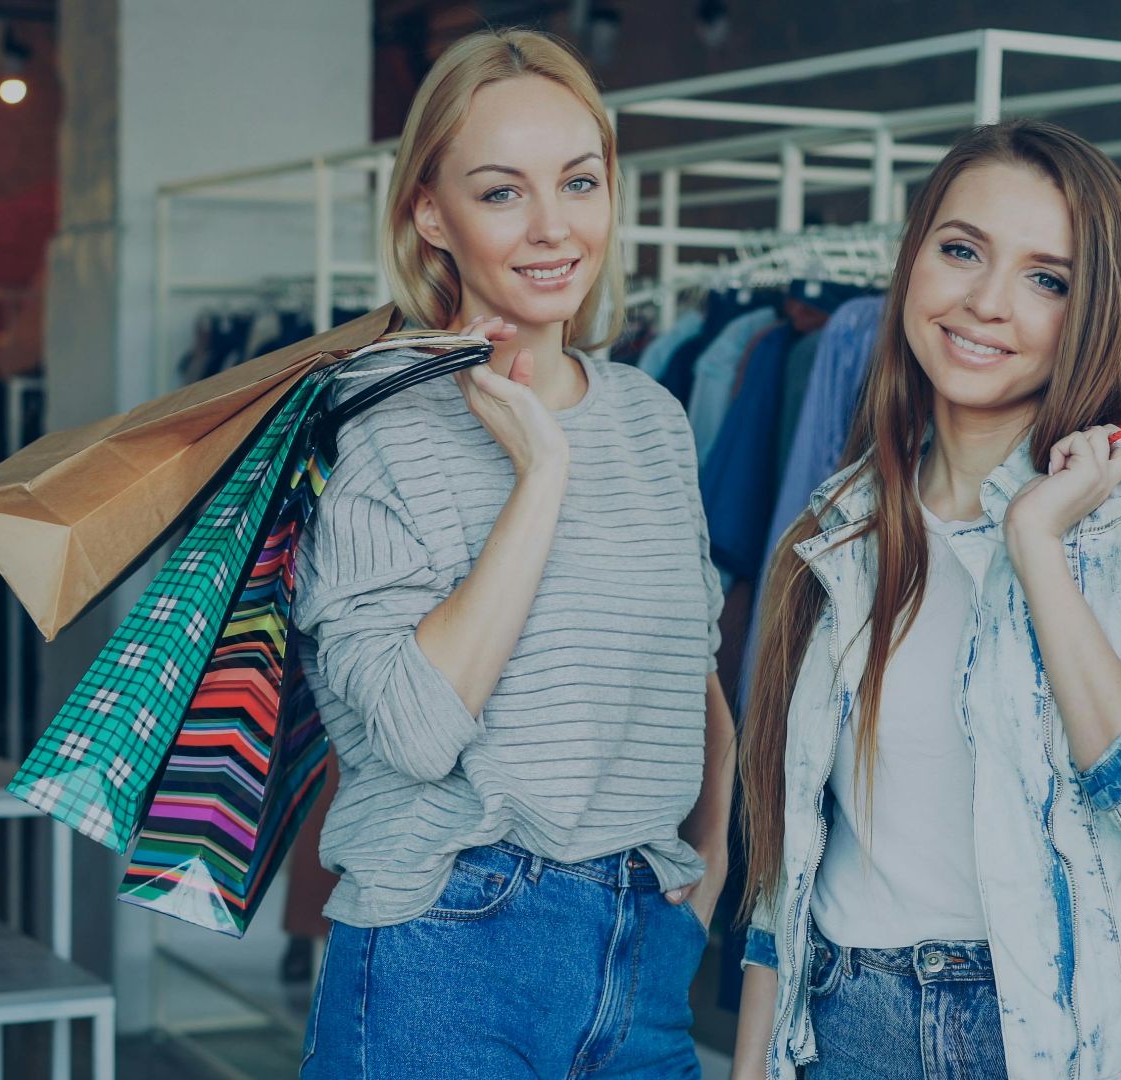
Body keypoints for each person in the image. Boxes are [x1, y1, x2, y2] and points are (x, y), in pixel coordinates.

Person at [731, 119, 1121, 1080]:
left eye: (1048, 279)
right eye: (961, 252)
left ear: (1098, 309)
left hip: (1082, 1035)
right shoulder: (843, 521)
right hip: (849, 1027)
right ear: (914, 263)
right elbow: (788, 869)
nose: (987, 303)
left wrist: (1035, 546)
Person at [294, 28, 734, 1079]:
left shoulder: (652, 418)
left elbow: (694, 678)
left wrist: (705, 875)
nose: (552, 228)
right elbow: (412, 729)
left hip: (641, 951)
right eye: (502, 193)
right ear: (430, 213)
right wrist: (538, 477)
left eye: (579, 182)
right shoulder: (375, 426)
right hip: (446, 946)